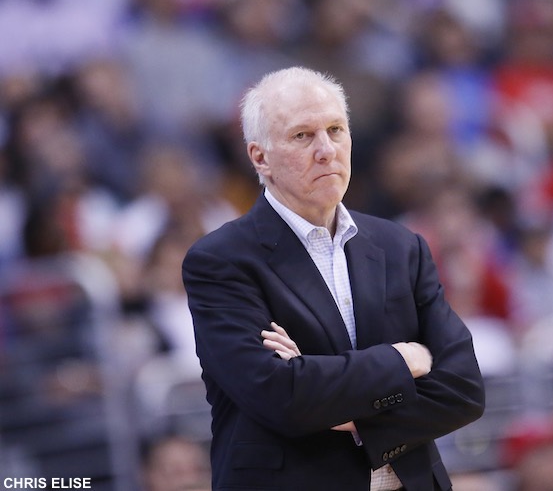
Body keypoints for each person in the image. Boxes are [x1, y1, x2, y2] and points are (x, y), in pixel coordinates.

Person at [181, 66, 485, 491]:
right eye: (302, 136)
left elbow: (464, 388)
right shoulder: (220, 261)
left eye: (336, 130)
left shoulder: (401, 245)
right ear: (259, 157)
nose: (325, 150)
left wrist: (344, 406)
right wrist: (404, 361)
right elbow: (282, 397)